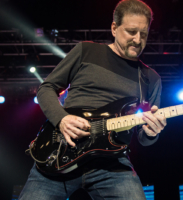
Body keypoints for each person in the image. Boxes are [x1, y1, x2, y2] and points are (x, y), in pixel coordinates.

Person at [19, 0, 166, 199]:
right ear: (114, 28)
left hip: (112, 165)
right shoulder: (85, 51)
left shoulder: (150, 79)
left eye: (144, 34)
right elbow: (46, 88)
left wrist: (151, 133)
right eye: (131, 32)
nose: (138, 40)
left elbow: (143, 137)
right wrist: (62, 119)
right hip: (63, 149)